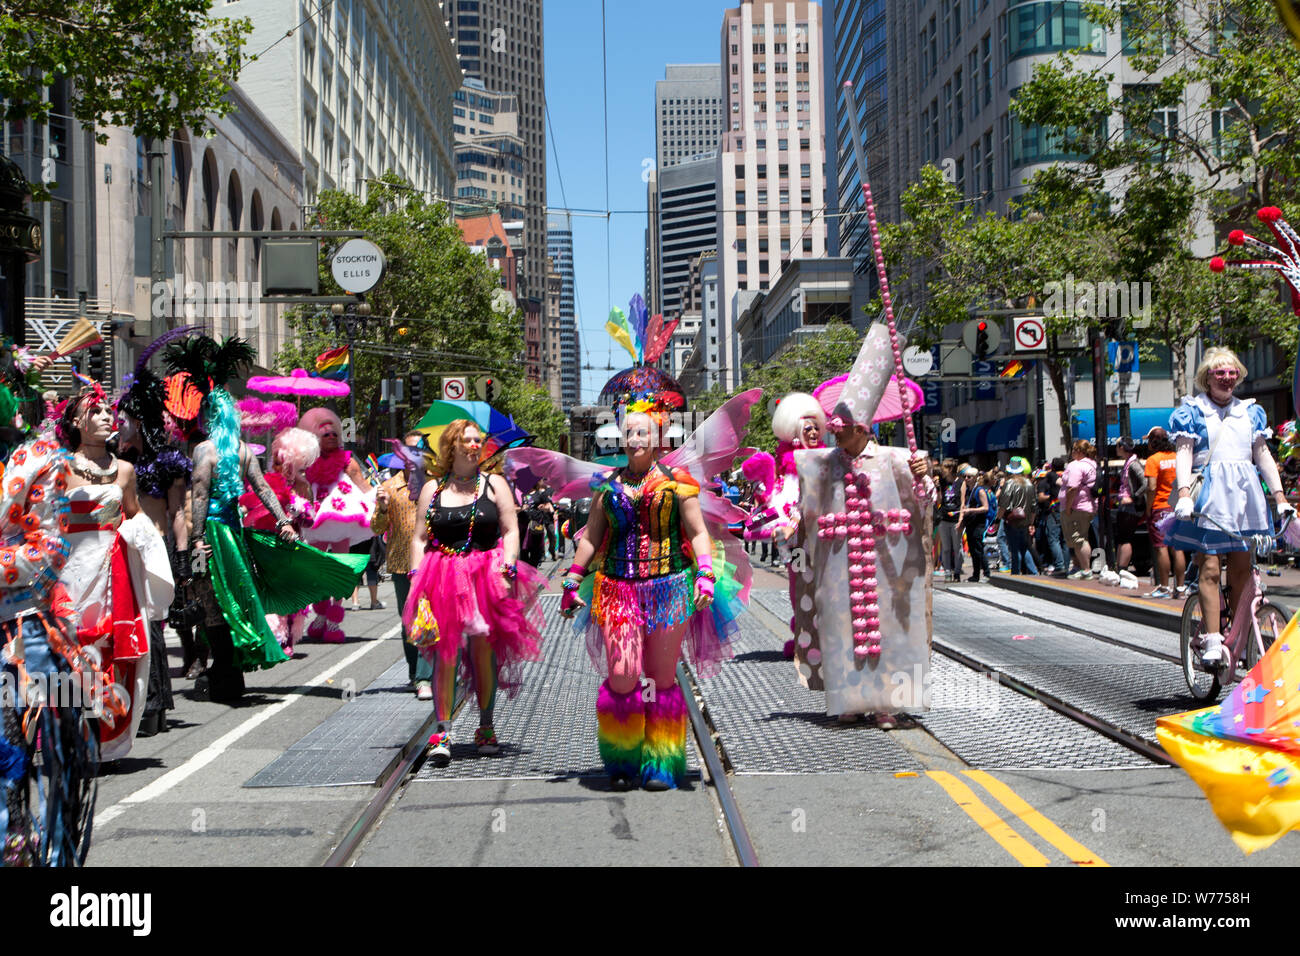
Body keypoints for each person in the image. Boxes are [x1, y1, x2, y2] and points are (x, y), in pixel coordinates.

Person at [559, 373, 751, 791]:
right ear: (620, 437)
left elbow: (699, 532)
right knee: (625, 673)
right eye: (628, 432)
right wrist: (573, 577)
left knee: (662, 677)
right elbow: (592, 535)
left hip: (668, 589)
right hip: (616, 588)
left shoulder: (678, 483)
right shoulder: (605, 486)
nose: (635, 439)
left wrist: (704, 573)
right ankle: (623, 757)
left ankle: (661, 762)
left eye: (642, 432)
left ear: (658, 435)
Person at [166, 337, 368, 701]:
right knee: (237, 598)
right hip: (235, 534)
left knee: (209, 598)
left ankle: (222, 671)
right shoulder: (242, 450)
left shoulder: (204, 450)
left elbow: (199, 495)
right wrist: (283, 523)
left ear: (209, 417)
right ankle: (230, 674)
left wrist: (197, 541)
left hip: (211, 535)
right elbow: (262, 489)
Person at [791, 324, 933, 729]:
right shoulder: (825, 462)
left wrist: (923, 476)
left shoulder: (897, 458)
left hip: (888, 567)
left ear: (863, 428)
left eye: (842, 426)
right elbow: (806, 502)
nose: (835, 429)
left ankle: (888, 703)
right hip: (838, 568)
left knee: (889, 629)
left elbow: (926, 504)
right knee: (841, 628)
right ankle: (850, 700)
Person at [405, 419, 545, 766]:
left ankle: (485, 726)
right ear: (452, 445)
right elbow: (420, 537)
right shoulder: (432, 488)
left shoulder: (495, 484)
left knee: (484, 652)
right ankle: (442, 731)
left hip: (485, 575)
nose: (474, 445)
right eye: (467, 440)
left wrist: (508, 567)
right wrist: (414, 578)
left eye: (477, 440)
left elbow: (511, 530)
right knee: (445, 654)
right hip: (440, 576)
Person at [1167, 348, 1294, 665]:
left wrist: (1280, 498)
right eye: (1219, 372)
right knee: (1209, 568)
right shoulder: (1193, 411)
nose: (1226, 377)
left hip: (1245, 497)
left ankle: (1240, 636)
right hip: (1210, 497)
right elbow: (1183, 454)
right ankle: (1212, 639)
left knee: (1242, 570)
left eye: (1231, 372)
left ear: (1239, 375)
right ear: (1207, 377)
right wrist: (1184, 493)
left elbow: (1263, 456)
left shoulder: (1251, 411)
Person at [57, 384, 159, 760]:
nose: (105, 417)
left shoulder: (126, 471)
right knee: (73, 649)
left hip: (114, 572)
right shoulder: (60, 468)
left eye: (107, 411)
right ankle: (73, 741)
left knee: (112, 653)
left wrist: (146, 537)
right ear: (75, 421)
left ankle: (105, 743)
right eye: (95, 411)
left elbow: (135, 514)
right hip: (71, 570)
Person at [116, 359, 192, 737]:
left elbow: (179, 512)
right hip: (131, 551)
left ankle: (154, 706)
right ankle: (151, 705)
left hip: (157, 547)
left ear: (141, 419)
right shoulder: (123, 462)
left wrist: (182, 555)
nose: (120, 424)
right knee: (143, 628)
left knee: (155, 627)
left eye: (125, 418)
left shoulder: (168, 460)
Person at [740, 391, 826, 657]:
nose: (814, 432)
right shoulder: (784, 466)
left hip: (823, 537)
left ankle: (822, 638)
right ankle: (804, 635)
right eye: (807, 428)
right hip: (794, 541)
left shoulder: (826, 460)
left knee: (822, 588)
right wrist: (764, 498)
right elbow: (777, 500)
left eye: (816, 427)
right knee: (798, 586)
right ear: (796, 433)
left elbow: (816, 498)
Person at [239, 426, 320, 656]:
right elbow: (250, 506)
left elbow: (310, 521)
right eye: (275, 462)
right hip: (266, 546)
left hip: (292, 548)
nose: (278, 467)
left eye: (283, 462)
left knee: (291, 595)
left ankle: (288, 640)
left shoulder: (303, 486)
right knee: (269, 592)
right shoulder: (263, 482)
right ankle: (272, 636)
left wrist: (299, 511)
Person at [299, 407, 377, 642]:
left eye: (334, 434)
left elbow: (363, 487)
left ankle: (333, 621)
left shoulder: (348, 461)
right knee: (317, 569)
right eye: (326, 435)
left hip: (343, 519)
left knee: (340, 568)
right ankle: (321, 615)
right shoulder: (308, 460)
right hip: (315, 519)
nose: (331, 437)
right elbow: (299, 484)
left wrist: (379, 500)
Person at [374, 431, 429, 699]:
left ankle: (424, 677)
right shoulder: (390, 487)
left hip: (432, 563)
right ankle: (414, 673)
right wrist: (383, 508)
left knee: (429, 619)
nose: (411, 456)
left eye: (417, 451)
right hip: (400, 564)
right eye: (407, 451)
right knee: (409, 622)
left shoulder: (434, 485)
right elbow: (376, 527)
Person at [1143, 426, 1184, 598]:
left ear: (1153, 442)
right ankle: (1181, 588)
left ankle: (1164, 587)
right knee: (1178, 547)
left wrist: (1148, 508)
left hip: (1160, 507)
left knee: (1162, 548)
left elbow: (1152, 487)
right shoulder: (1178, 457)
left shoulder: (1153, 460)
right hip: (1179, 506)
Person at [1060, 439, 1098, 579]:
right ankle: (1080, 568)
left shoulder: (1076, 465)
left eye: (1074, 450)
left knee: (1078, 539)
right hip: (1088, 506)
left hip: (1077, 507)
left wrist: (1068, 507)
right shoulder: (1092, 464)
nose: (1072, 453)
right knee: (1082, 538)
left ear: (1079, 452)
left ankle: (1086, 570)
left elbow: (1073, 487)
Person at [1112, 436, 1146, 577]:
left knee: (1125, 538)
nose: (1116, 448)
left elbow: (1145, 482)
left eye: (1117, 445)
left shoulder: (1133, 464)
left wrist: (1132, 498)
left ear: (1122, 447)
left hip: (1130, 507)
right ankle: (1119, 568)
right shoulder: (1128, 463)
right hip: (1124, 506)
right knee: (1121, 538)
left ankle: (1122, 569)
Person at [999, 457, 1038, 575]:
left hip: (1012, 520)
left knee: (1014, 549)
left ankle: (1015, 573)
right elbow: (1033, 506)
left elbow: (1003, 505)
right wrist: (1031, 523)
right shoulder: (1029, 484)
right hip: (1025, 521)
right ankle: (1033, 572)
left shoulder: (1009, 484)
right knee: (1024, 547)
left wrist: (997, 520)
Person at [957, 463, 991, 582]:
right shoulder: (967, 490)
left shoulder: (980, 490)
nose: (966, 479)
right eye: (965, 476)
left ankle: (986, 573)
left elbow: (985, 507)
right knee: (973, 550)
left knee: (978, 549)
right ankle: (975, 575)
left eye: (969, 477)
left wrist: (970, 510)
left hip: (978, 523)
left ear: (975, 477)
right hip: (970, 523)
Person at [1034, 458, 1068, 575]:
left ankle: (1059, 565)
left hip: (1054, 511)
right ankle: (1065, 565)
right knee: (1064, 540)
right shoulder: (1068, 475)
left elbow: (1040, 497)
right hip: (1067, 509)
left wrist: (1052, 498)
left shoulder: (1050, 478)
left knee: (1053, 539)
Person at [935, 458, 963, 582]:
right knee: (946, 548)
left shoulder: (960, 482)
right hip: (944, 518)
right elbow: (940, 501)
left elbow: (962, 503)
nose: (942, 470)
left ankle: (956, 572)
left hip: (956, 519)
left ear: (951, 469)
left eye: (944, 468)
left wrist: (961, 520)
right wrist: (937, 489)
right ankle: (947, 572)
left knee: (957, 548)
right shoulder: (942, 482)